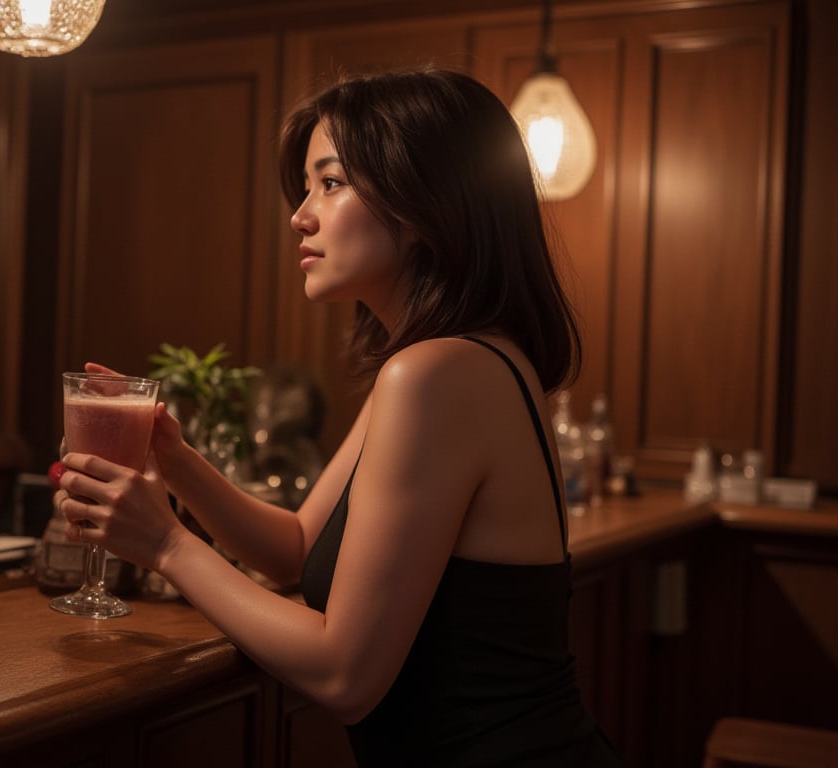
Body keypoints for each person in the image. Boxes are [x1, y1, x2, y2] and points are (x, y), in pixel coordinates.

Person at [55, 68, 623, 766]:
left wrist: (167, 545)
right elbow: (294, 548)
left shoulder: (435, 375)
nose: (300, 214)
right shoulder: (449, 361)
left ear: (423, 205)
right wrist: (174, 458)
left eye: (329, 183)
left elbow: (344, 675)